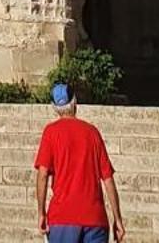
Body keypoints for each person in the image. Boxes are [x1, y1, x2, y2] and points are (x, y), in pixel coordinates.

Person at [33, 80, 125, 242]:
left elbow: (42, 175)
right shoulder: (92, 132)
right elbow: (108, 178)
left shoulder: (51, 132)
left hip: (62, 217)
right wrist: (117, 218)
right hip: (94, 218)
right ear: (75, 102)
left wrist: (41, 213)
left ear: (54, 107)